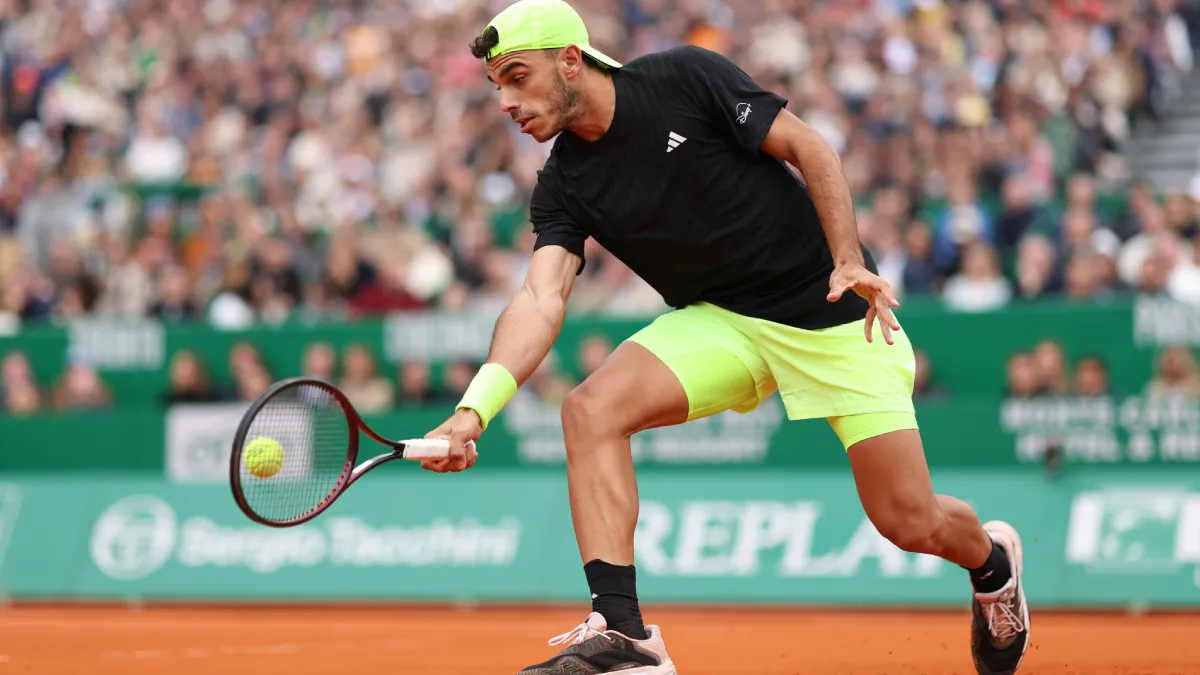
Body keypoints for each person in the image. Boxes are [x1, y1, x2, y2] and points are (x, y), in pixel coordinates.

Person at [421, 1, 1030, 673]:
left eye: (516, 76)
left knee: (910, 521)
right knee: (589, 410)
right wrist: (474, 408)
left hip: (832, 314)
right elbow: (541, 297)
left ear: (571, 60)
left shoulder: (684, 77)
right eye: (495, 85)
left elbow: (809, 146)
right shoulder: (563, 182)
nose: (506, 100)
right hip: (723, 322)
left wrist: (848, 257)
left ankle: (993, 563)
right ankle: (625, 635)